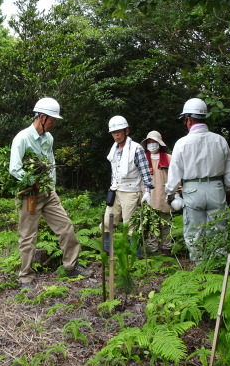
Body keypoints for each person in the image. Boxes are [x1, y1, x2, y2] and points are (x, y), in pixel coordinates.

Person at [10, 97, 91, 286]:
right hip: (29, 195)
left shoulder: (48, 138)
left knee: (66, 226)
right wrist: (32, 181)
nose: (54, 123)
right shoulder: (22, 138)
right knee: (28, 236)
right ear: (42, 117)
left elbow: (50, 164)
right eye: (52, 119)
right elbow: (14, 168)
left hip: (48, 192)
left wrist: (51, 187)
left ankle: (71, 265)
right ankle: (25, 277)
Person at [165, 98, 230, 261]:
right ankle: (218, 267)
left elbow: (174, 172)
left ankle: (200, 268)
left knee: (194, 232)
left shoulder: (182, 143)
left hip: (192, 190)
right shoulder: (220, 140)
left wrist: (170, 194)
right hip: (217, 189)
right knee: (219, 231)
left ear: (189, 119)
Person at [103, 116, 155, 254]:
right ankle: (108, 251)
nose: (117, 135)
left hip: (131, 191)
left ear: (126, 131)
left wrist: (148, 192)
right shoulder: (113, 150)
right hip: (115, 190)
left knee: (130, 225)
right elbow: (115, 172)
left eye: (119, 131)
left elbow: (145, 172)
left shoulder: (136, 149)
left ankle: (136, 255)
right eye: (114, 132)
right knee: (107, 222)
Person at [141, 130, 173, 253]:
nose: (152, 144)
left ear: (159, 143)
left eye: (154, 141)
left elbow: (176, 177)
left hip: (164, 195)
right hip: (148, 196)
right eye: (149, 141)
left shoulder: (169, 158)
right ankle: (152, 250)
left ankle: (166, 248)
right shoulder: (143, 159)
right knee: (150, 225)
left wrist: (176, 193)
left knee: (165, 225)